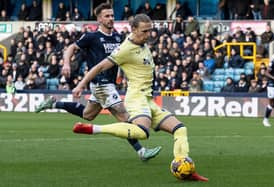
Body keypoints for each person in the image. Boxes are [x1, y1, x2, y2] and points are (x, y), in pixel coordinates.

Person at [72, 13, 208, 182]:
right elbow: (99, 66)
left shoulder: (140, 41)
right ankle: (93, 129)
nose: (148, 34)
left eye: (150, 30)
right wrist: (81, 85)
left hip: (148, 99)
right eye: (144, 31)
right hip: (136, 98)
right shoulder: (125, 49)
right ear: (134, 29)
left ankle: (185, 167)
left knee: (180, 129)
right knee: (142, 133)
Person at [35, 3, 161, 161]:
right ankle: (141, 151)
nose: (111, 19)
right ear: (99, 19)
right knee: (124, 116)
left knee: (88, 115)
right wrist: (66, 63)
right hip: (101, 83)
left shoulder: (117, 37)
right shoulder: (91, 37)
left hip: (110, 83)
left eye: (112, 15)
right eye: (107, 16)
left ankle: (54, 104)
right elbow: (70, 48)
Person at [262, 49, 274, 127]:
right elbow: (266, 72)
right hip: (272, 85)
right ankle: (265, 119)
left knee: (272, 104)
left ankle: (271, 107)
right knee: (271, 102)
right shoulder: (273, 63)